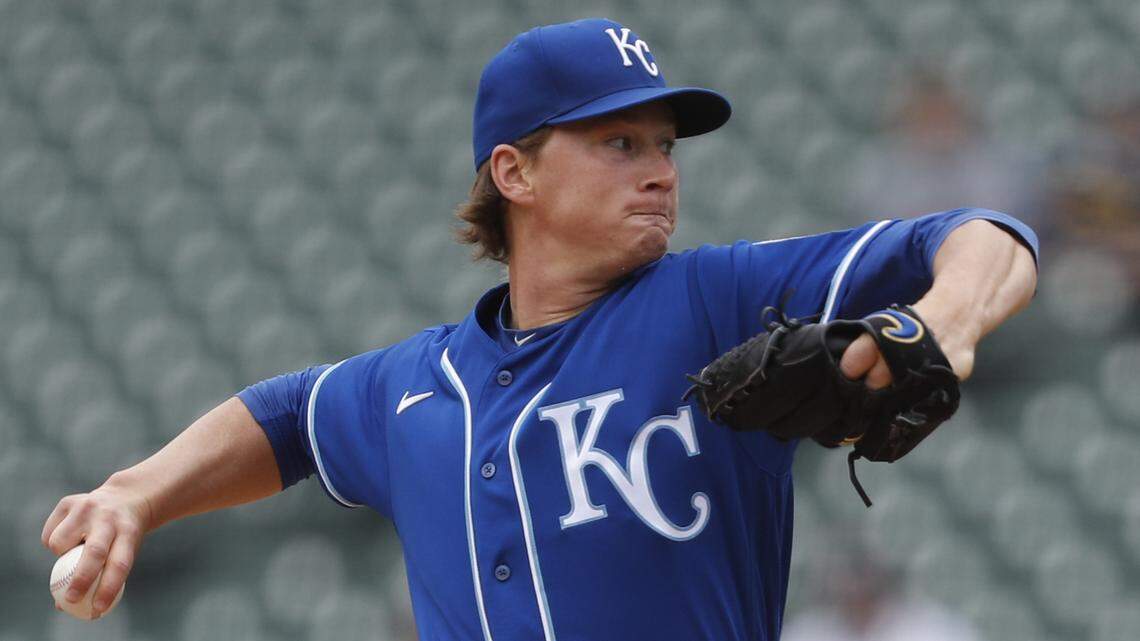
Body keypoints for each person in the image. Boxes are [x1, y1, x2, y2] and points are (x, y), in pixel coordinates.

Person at [41, 18, 1039, 640]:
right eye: (617, 142)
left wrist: (945, 317)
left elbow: (980, 234)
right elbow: (290, 417)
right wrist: (137, 494)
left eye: (662, 144)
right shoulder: (417, 384)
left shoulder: (714, 300)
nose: (660, 167)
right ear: (515, 173)